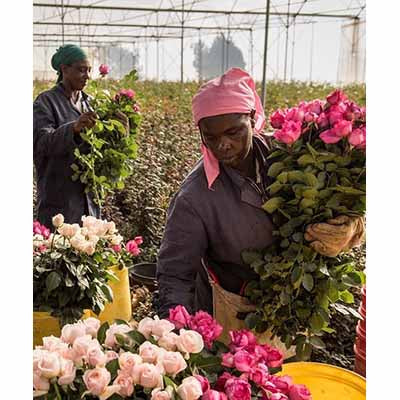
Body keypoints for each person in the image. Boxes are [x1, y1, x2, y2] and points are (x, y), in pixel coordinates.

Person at [156, 68, 365, 320]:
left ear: (252, 118)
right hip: (231, 314)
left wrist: (349, 229)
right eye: (210, 136)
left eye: (233, 132)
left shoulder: (294, 156)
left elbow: (344, 209)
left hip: (295, 309)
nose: (223, 144)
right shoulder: (195, 197)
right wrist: (175, 337)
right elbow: (175, 275)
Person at [33, 44, 127, 229]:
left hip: (89, 203)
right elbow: (41, 144)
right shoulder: (46, 102)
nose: (87, 76)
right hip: (59, 200)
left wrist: (121, 131)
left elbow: (103, 151)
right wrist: (73, 128)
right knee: (58, 251)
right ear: (64, 69)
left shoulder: (92, 103)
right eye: (81, 70)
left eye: (89, 70)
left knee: (88, 250)